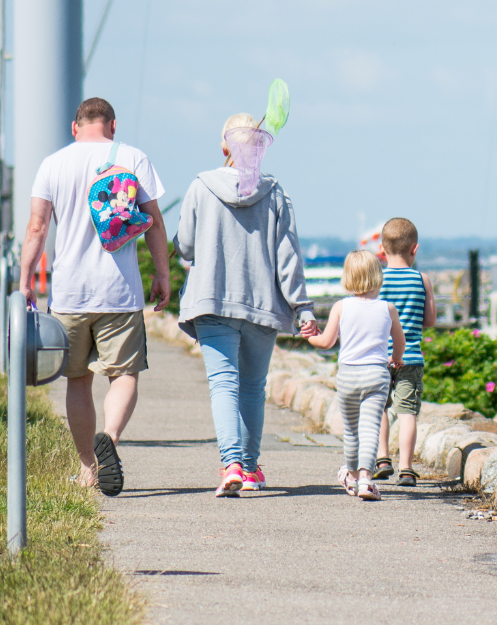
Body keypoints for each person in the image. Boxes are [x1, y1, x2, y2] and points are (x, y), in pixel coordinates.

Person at [20, 97, 169, 497]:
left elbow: (37, 228)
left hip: (69, 292)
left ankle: (88, 466)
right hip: (119, 292)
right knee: (124, 374)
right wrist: (162, 273)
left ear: (75, 127)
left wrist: (25, 280)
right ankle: (112, 440)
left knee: (78, 380)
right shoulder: (134, 158)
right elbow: (154, 223)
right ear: (112, 126)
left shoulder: (53, 164)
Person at [175, 112, 315, 497]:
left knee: (224, 383)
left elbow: (184, 246)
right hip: (261, 303)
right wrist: (303, 307)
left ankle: (231, 463)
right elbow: (288, 259)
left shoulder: (200, 187)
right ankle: (250, 469)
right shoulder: (275, 193)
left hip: (212, 300)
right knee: (253, 387)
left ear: (225, 147)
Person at [304, 250, 403, 501]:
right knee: (371, 428)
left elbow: (327, 342)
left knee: (351, 431)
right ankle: (366, 480)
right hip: (376, 376)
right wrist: (397, 359)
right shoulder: (387, 308)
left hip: (348, 375)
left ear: (347, 277)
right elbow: (399, 341)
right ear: (377, 276)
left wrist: (309, 335)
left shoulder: (341, 306)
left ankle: (350, 473)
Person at [370, 217, 434, 486]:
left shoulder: (377, 280)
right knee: (407, 412)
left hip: (380, 357)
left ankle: (383, 459)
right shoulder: (422, 279)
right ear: (414, 249)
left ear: (382, 250)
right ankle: (407, 469)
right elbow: (429, 321)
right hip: (410, 356)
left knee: (381, 408)